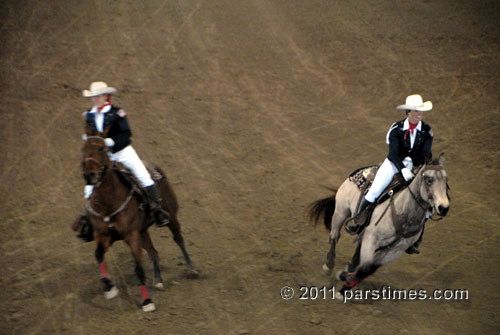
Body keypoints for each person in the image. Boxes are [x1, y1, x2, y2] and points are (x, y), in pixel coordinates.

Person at [351, 94, 434, 253]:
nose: (419, 114)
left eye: (421, 111)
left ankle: (416, 239)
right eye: (416, 111)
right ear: (408, 112)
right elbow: (393, 154)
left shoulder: (427, 131)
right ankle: (358, 223)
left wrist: (417, 169)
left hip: (415, 167)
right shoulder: (396, 129)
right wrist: (403, 169)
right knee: (375, 190)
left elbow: (426, 154)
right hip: (394, 164)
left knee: (427, 201)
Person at [79, 81, 170, 228]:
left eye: (97, 96)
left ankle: (157, 210)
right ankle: (89, 218)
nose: (94, 99)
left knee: (143, 175)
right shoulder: (89, 115)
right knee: (89, 184)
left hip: (122, 152)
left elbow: (127, 134)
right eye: (93, 97)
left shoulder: (117, 113)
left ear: (105, 96)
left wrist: (112, 141)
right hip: (102, 156)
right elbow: (90, 134)